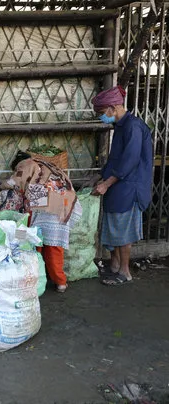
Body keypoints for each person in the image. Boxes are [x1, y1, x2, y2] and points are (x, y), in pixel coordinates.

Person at [91, 86, 153, 286]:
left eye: (102, 113)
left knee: (123, 230)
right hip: (117, 184)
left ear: (112, 108)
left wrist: (107, 183)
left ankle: (125, 272)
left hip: (129, 186)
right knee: (113, 227)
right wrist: (102, 178)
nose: (102, 118)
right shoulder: (120, 126)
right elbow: (115, 159)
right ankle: (115, 266)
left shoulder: (133, 127)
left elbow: (129, 160)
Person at [3, 151, 82, 293]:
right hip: (63, 203)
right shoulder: (46, 164)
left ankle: (37, 278)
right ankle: (60, 282)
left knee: (36, 241)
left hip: (49, 206)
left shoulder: (26, 164)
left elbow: (13, 182)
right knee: (54, 244)